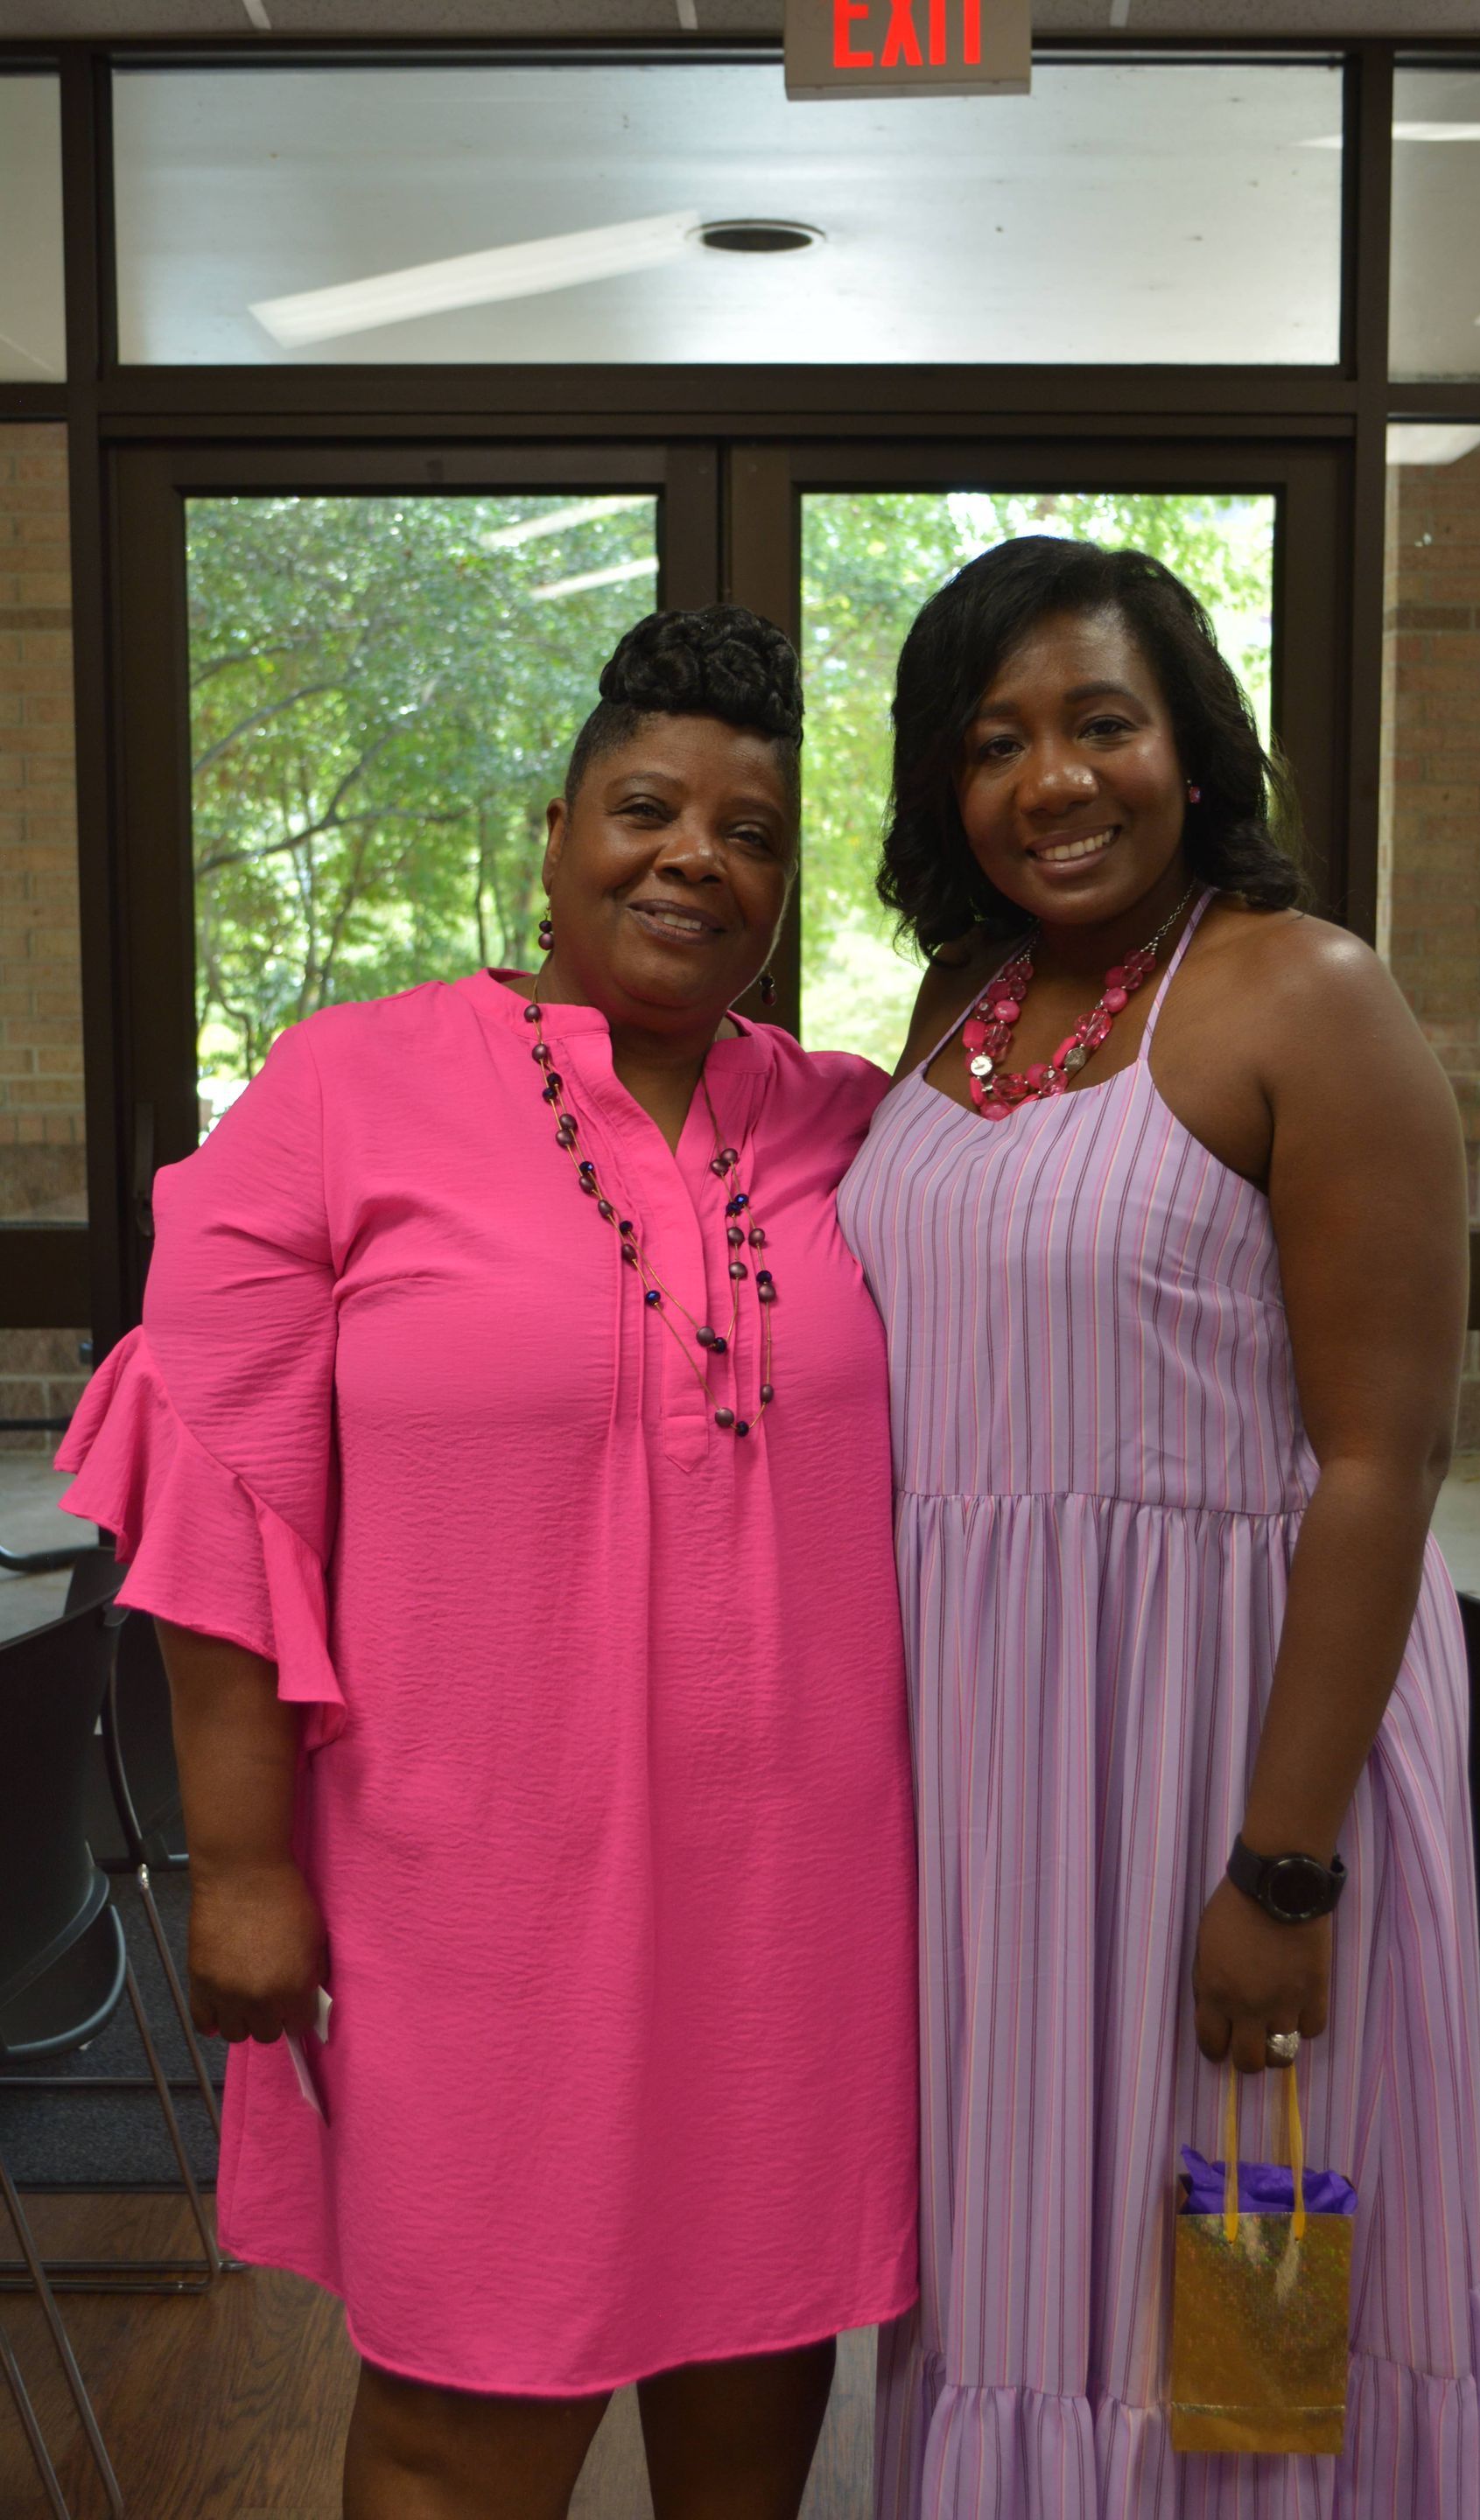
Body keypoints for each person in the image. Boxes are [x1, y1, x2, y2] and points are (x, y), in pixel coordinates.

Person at [56, 607, 918, 2520]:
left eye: (753, 834)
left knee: (759, 2371)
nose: (697, 858)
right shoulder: (343, 1092)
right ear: (554, 835)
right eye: (647, 810)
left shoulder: (852, 1125)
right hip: (469, 1904)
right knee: (467, 2411)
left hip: (798, 1900)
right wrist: (244, 1865)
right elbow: (223, 1490)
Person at [838, 540, 1480, 2517]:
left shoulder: (1308, 994)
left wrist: (1283, 1873)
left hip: (1233, 1756)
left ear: (1190, 750)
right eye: (995, 742)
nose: (1054, 779)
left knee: (1244, 2293)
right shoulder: (957, 1009)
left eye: (1100, 723)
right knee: (1017, 2271)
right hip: (987, 1794)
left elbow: (1384, 1461)